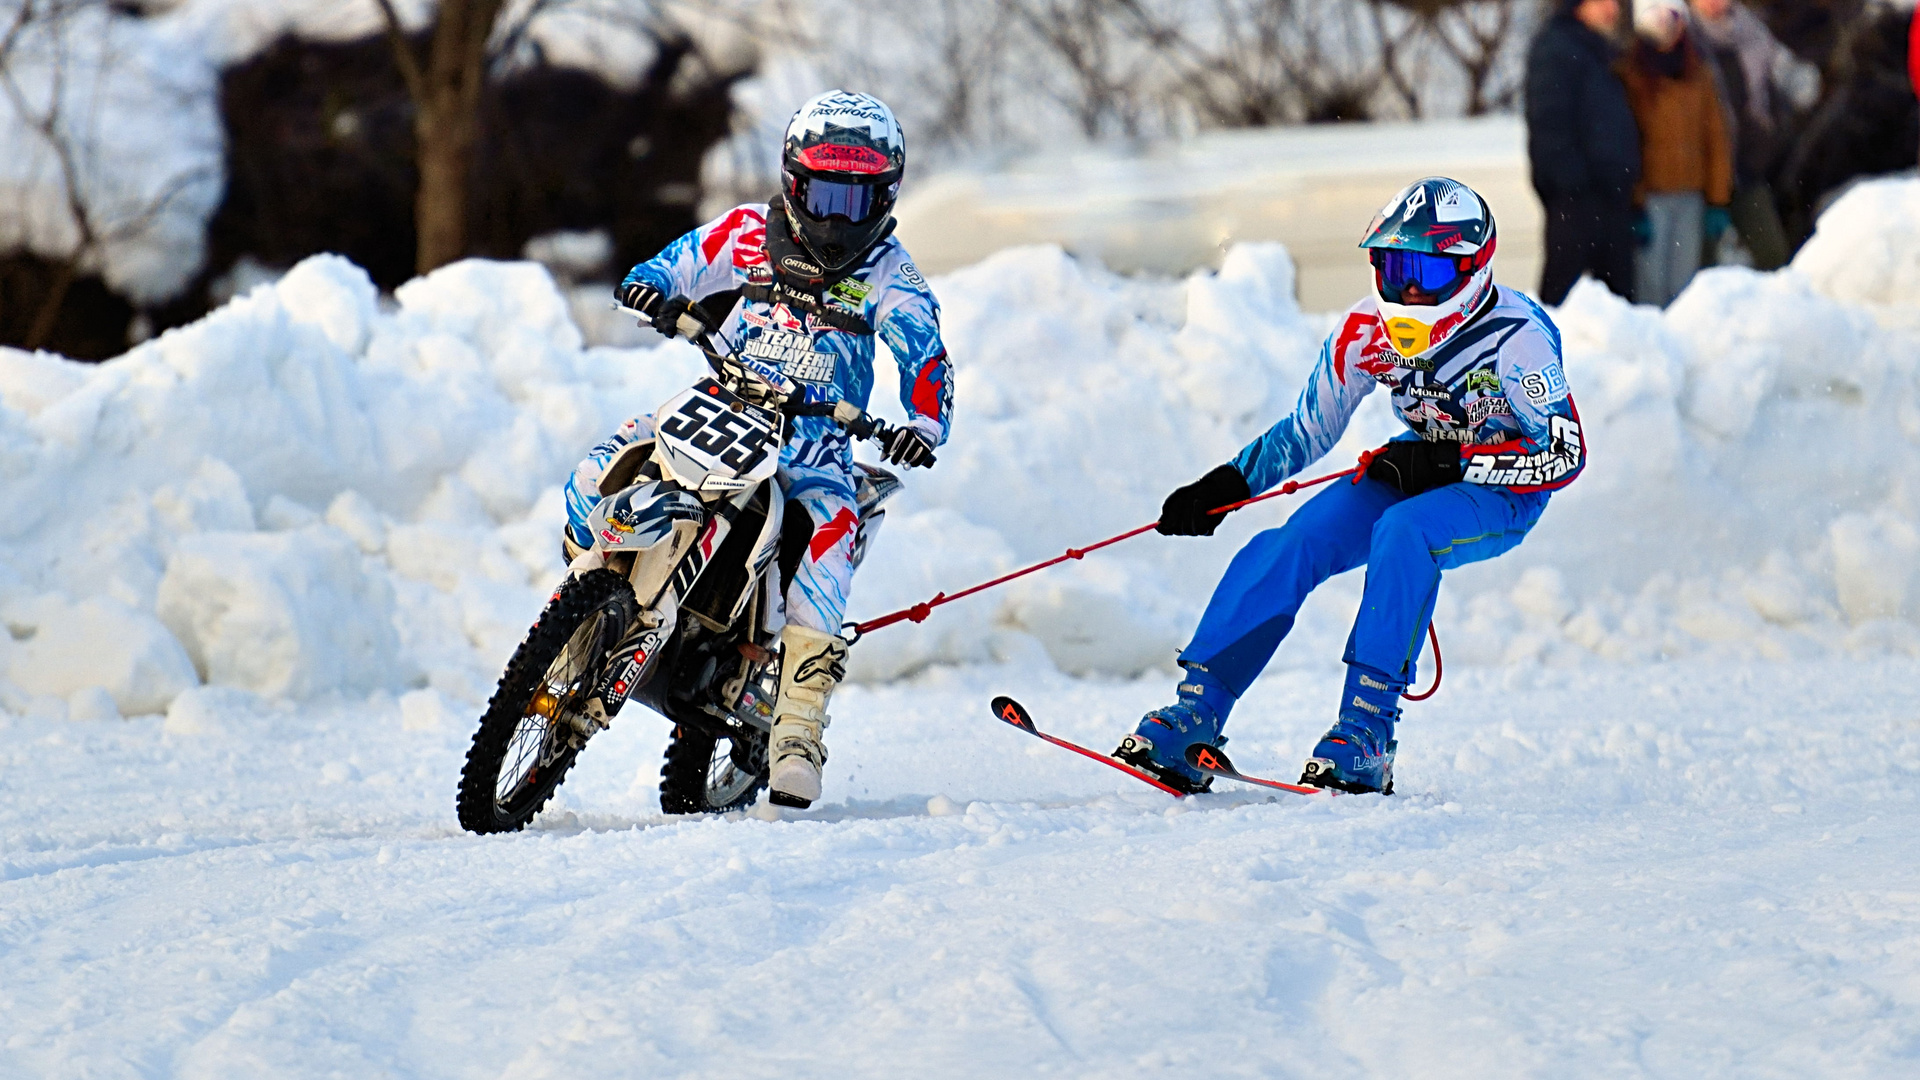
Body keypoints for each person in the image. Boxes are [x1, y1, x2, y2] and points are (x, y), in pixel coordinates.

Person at [1113, 178, 1587, 796]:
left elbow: (1563, 452)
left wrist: (1454, 465)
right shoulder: (1367, 328)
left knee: (1405, 532)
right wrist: (1225, 485)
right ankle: (1196, 709)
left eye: (1426, 272)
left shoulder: (1516, 336)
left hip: (1505, 484)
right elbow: (1309, 430)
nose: (1408, 290)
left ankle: (1367, 733)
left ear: (1472, 271)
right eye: (1393, 267)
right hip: (1415, 463)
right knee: (1296, 540)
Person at [564, 90, 953, 808]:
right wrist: (651, 293)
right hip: (718, 409)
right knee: (597, 470)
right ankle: (590, 596)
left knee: (831, 537)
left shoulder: (893, 278)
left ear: (886, 197)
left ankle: (800, 730)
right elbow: (664, 270)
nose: (837, 218)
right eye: (824, 194)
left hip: (815, 447)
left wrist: (921, 425)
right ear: (793, 183)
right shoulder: (746, 233)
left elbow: (928, 362)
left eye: (856, 200)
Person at [1525, 0, 1642, 305]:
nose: (1612, 9)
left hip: (1611, 195)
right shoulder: (1558, 47)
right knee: (1560, 301)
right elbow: (1549, 123)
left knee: (1619, 306)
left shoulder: (1600, 48)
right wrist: (1574, 184)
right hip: (1578, 200)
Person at [1621, 0, 1733, 306]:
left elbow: (1716, 139)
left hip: (1691, 196)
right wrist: (1635, 201)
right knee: (1651, 287)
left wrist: (1717, 200)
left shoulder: (1698, 73)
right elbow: (1629, 142)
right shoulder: (1630, 76)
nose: (1665, 26)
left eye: (1671, 18)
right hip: (1652, 200)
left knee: (1685, 288)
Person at [1689, 0, 1814, 270]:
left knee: (1772, 255)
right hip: (1699, 172)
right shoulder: (1683, 36)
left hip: (1747, 166)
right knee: (1698, 267)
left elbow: (1792, 76)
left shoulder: (1750, 30)